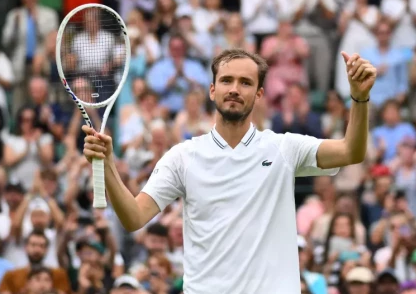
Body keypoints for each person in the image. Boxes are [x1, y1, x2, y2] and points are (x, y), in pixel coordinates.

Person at [82, 48, 376, 293]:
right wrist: (107, 166)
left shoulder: (284, 148)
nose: (235, 89)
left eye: (246, 83)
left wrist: (359, 98)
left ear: (259, 94)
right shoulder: (183, 157)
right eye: (227, 80)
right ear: (212, 90)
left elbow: (351, 151)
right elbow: (134, 217)